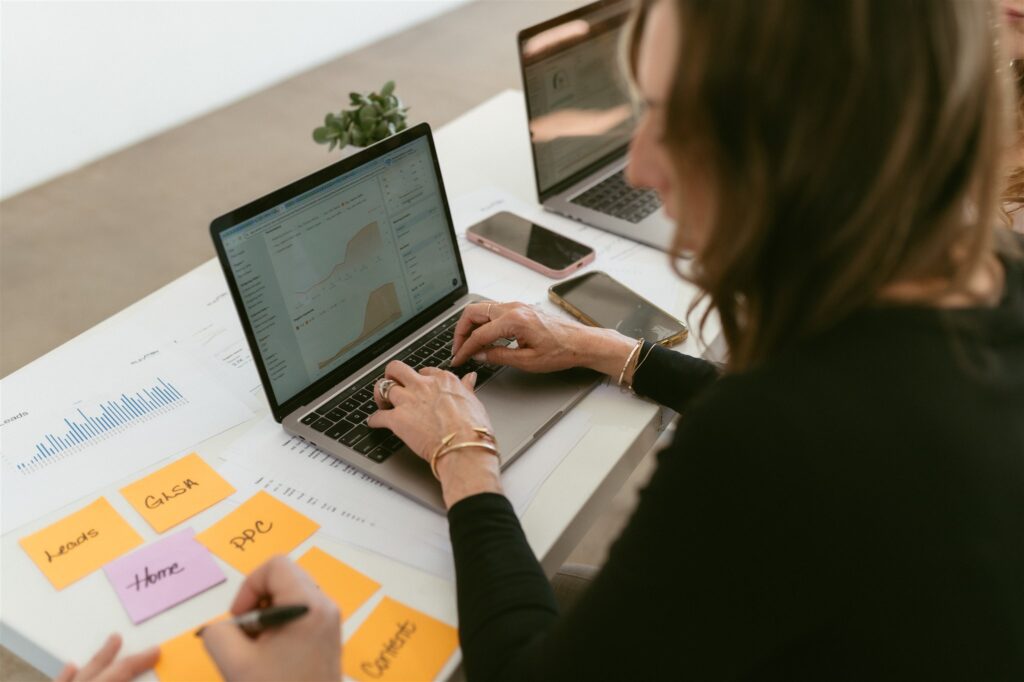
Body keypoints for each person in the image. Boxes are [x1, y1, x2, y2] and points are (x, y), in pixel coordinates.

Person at [63, 0, 1024, 679]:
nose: (641, 161)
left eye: (678, 121)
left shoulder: (778, 445)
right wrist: (609, 351)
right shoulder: (992, 275)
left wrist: (464, 454)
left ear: (810, 147)